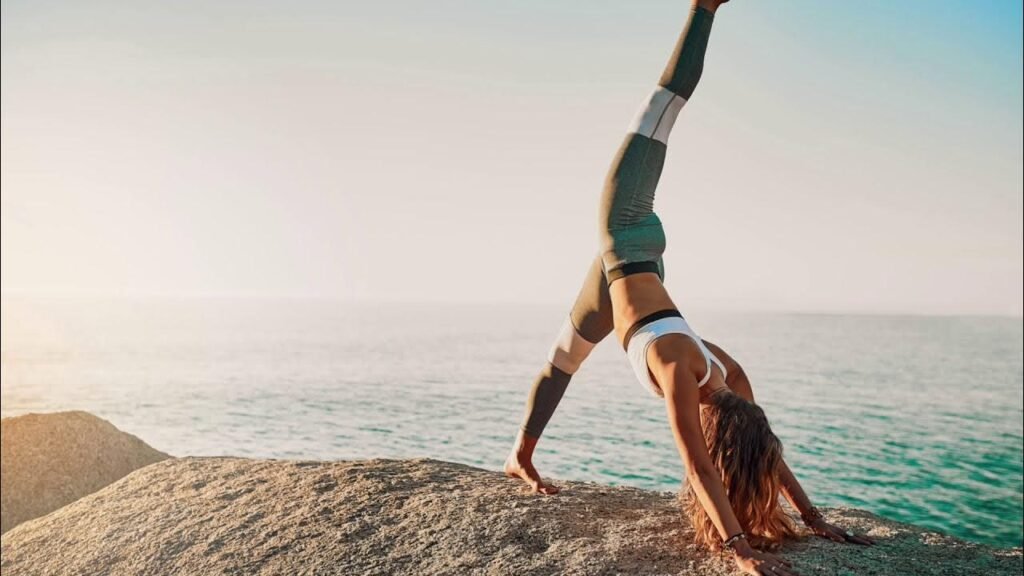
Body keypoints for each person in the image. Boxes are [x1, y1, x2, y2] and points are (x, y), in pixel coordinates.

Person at [504, 2, 874, 574]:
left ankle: (518, 457)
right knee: (664, 105)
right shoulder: (686, 370)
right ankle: (704, 6)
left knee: (560, 362)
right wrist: (741, 553)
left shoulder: (730, 379)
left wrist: (812, 516)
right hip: (627, 228)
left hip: (623, 278)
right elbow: (700, 468)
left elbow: (764, 457)